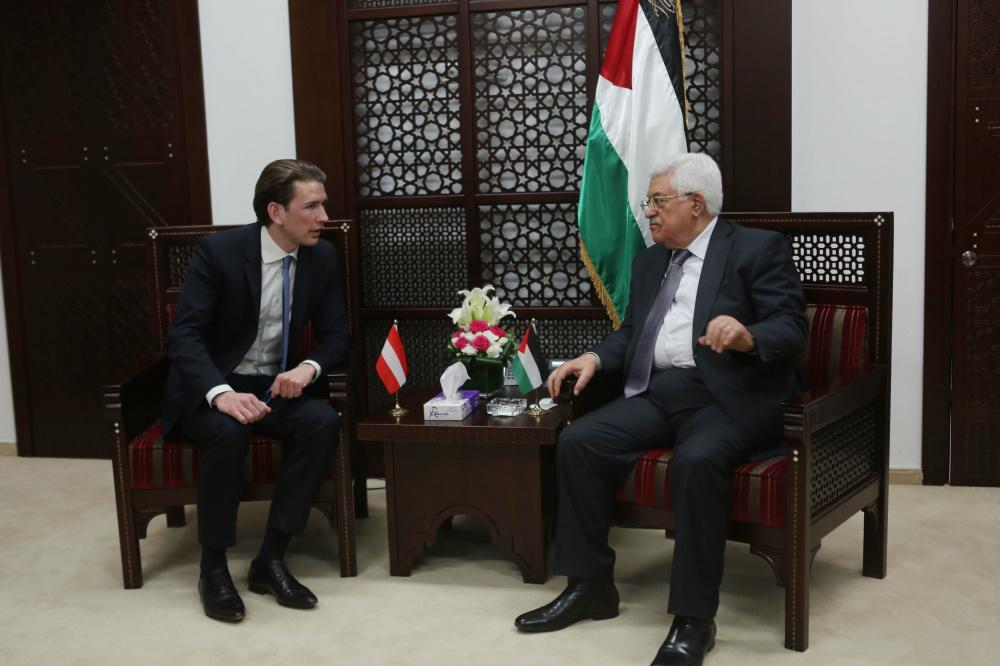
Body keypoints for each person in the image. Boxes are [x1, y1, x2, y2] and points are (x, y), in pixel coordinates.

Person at [514, 153, 806, 665]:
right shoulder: (651, 260)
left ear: (695, 204)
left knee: (697, 460)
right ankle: (590, 587)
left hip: (728, 397)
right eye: (648, 202)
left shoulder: (756, 248)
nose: (647, 211)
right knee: (580, 441)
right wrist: (594, 357)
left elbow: (791, 325)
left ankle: (694, 619)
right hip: (661, 392)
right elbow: (633, 333)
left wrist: (746, 335)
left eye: (657, 201)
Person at [162, 159, 350, 623]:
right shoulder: (219, 252)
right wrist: (221, 393)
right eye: (312, 206)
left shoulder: (321, 256)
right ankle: (213, 569)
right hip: (213, 384)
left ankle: (271, 558)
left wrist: (307, 368)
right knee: (229, 433)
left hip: (273, 384)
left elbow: (337, 335)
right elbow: (184, 335)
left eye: (323, 205)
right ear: (276, 212)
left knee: (321, 421)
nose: (324, 217)